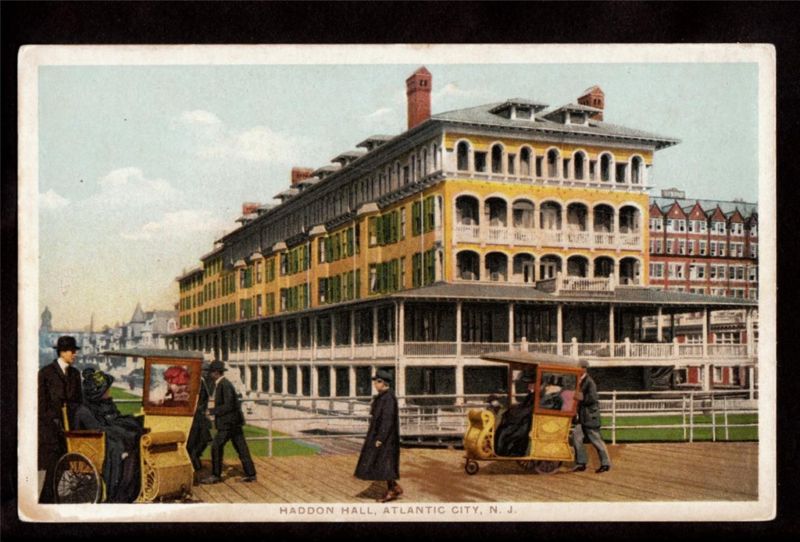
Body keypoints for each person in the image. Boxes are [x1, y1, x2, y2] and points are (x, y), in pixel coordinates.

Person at [73, 368, 145, 502]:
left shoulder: (104, 405)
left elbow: (114, 419)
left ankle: (128, 491)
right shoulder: (84, 411)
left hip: (105, 438)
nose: (109, 392)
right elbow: (98, 430)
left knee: (133, 433)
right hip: (94, 444)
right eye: (106, 390)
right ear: (98, 393)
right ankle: (117, 494)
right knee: (121, 442)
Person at [38, 335, 83, 503]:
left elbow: (79, 402)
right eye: (72, 351)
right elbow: (41, 404)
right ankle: (46, 501)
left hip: (69, 429)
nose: (75, 354)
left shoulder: (75, 374)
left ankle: (51, 500)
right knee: (53, 465)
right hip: (50, 429)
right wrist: (53, 421)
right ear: (62, 352)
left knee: (64, 465)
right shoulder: (46, 373)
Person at [201, 360, 257, 484]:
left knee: (216, 446)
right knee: (241, 448)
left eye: (210, 372)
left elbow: (229, 405)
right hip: (234, 422)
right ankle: (251, 474)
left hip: (228, 424)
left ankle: (216, 475)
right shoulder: (224, 383)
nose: (209, 374)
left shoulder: (224, 385)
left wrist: (212, 411)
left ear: (216, 373)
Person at [354, 369, 402, 503]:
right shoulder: (383, 396)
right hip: (381, 435)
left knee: (385, 462)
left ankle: (392, 490)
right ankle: (394, 487)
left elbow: (387, 420)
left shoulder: (388, 398)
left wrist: (380, 438)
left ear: (383, 383)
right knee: (383, 462)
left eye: (377, 382)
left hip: (386, 437)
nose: (375, 384)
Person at [571, 361, 611, 473]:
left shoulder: (589, 382)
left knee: (596, 440)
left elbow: (593, 398)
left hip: (589, 416)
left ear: (584, 369)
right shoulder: (579, 380)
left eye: (579, 367)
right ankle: (581, 462)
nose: (577, 369)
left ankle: (605, 463)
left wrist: (581, 397)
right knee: (576, 437)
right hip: (581, 417)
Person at [494, 370, 536, 457]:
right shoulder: (531, 395)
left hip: (526, 421)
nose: (529, 386)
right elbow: (523, 406)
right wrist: (513, 411)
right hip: (523, 418)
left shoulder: (535, 396)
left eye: (531, 384)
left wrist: (515, 414)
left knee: (508, 432)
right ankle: (502, 451)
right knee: (503, 427)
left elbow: (529, 409)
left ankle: (510, 452)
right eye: (529, 384)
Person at [187, 363, 215, 473]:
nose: (207, 373)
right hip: (196, 416)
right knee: (199, 439)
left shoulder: (203, 381)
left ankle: (195, 458)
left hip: (200, 416)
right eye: (205, 370)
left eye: (208, 371)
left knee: (204, 439)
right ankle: (194, 459)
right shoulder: (196, 381)